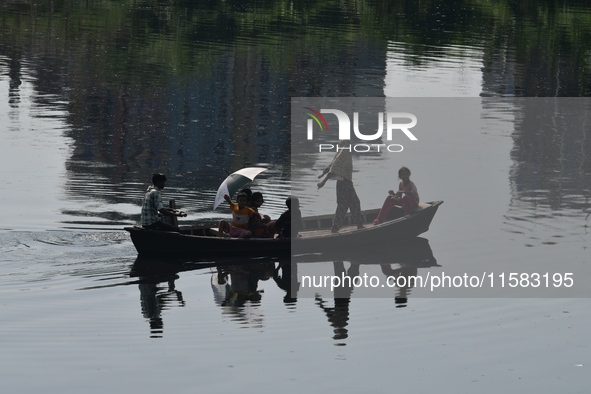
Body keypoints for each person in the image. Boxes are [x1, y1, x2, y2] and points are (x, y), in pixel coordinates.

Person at [317, 149, 364, 233]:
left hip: (343, 183)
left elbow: (333, 164)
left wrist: (323, 174)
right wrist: (323, 181)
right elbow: (335, 167)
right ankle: (357, 225)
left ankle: (336, 227)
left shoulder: (342, 153)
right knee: (352, 204)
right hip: (345, 184)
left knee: (344, 205)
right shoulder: (345, 152)